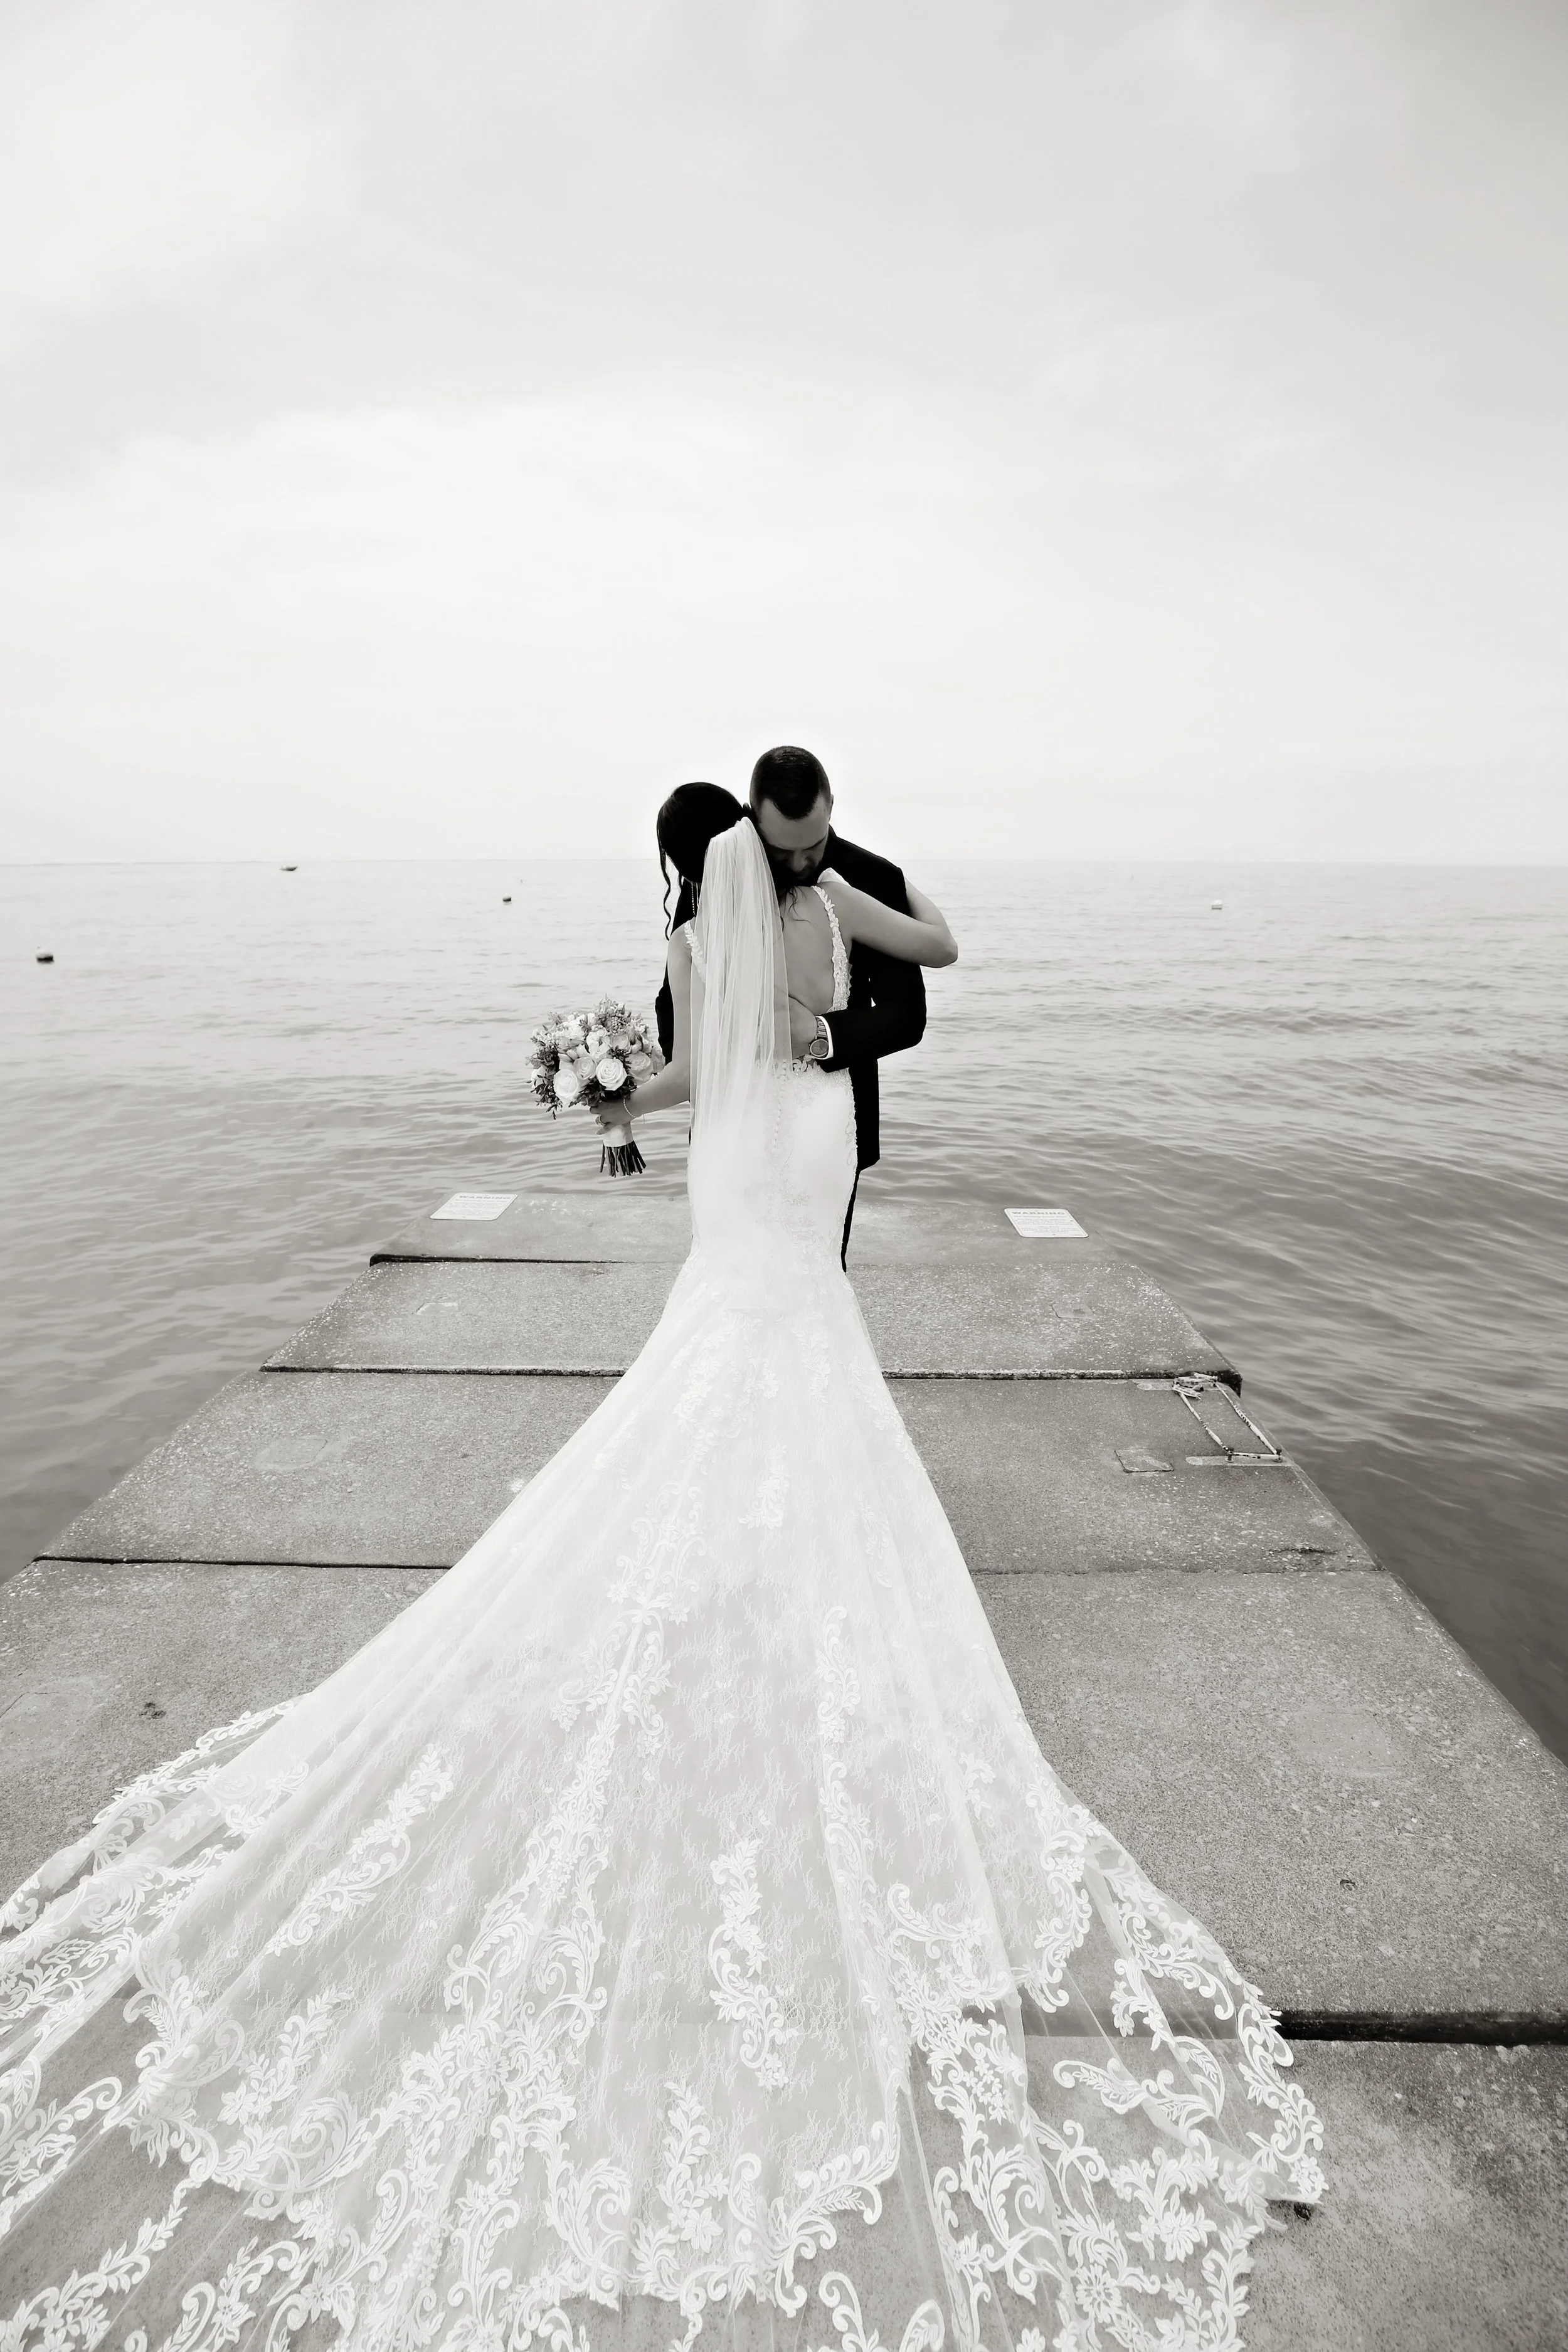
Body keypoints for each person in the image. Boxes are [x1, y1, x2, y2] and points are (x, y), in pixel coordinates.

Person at [0, 815, 1322, 2352]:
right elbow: (829, 1022)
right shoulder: (800, 913)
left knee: (733, 1337)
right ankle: (780, 1539)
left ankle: (736, 1533)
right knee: (796, 1336)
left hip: (747, 1165)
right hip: (796, 1149)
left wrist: (608, 1083)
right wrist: (639, 1074)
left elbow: (703, 1067)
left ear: (682, 862)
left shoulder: (705, 937)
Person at [656, 748, 928, 1262]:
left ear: (831, 807)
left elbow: (906, 1014)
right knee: (727, 1282)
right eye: (783, 853)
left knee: (820, 1277)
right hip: (731, 1123)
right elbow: (678, 993)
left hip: (827, 1118)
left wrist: (819, 1034)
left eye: (815, 844)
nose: (802, 864)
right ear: (752, 819)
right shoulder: (720, 866)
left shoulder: (872, 877)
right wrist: (682, 1068)